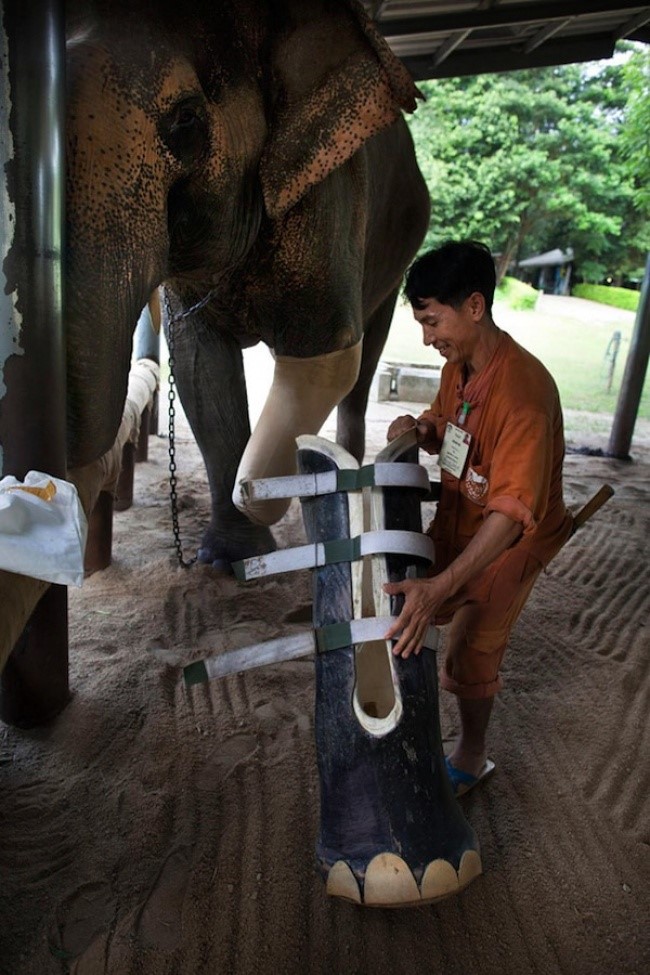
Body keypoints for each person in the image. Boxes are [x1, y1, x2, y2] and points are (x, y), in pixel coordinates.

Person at [383, 240, 573, 797]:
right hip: (466, 512)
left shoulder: (525, 396)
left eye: (432, 320)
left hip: (516, 535)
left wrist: (445, 583)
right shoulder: (459, 365)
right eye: (420, 322)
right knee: (410, 594)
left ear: (474, 306)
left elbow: (512, 517)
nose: (426, 337)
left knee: (470, 642)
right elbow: (448, 425)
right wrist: (420, 430)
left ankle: (471, 754)